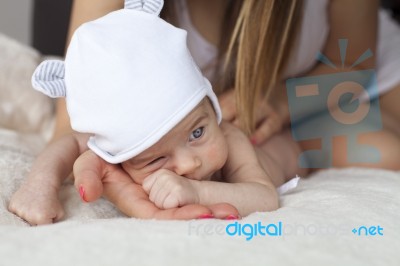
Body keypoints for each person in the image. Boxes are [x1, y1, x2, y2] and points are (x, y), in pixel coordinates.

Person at [10, 0, 400, 222]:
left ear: (210, 113)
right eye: (157, 157)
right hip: (265, 114)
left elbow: (262, 197)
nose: (190, 164)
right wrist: (40, 184)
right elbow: (73, 137)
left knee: (385, 151)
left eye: (198, 135)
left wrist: (196, 190)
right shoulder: (129, 107)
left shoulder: (227, 137)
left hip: (310, 111)